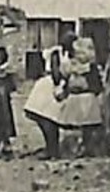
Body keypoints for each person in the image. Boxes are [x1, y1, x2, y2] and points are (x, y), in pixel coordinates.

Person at [24, 30, 75, 159]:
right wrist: (62, 83)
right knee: (45, 117)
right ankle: (51, 148)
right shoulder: (56, 53)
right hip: (49, 86)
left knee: (53, 119)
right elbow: (56, 73)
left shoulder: (75, 55)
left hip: (65, 86)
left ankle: (53, 149)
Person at [53, 37, 106, 156]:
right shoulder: (70, 65)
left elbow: (96, 84)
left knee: (88, 124)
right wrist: (64, 91)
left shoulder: (91, 68)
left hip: (87, 97)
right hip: (74, 97)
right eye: (78, 53)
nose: (80, 56)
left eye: (83, 53)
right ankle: (73, 147)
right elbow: (64, 80)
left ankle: (87, 147)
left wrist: (97, 93)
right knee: (72, 125)